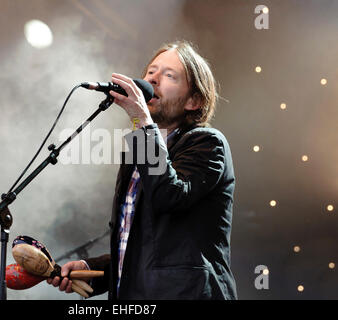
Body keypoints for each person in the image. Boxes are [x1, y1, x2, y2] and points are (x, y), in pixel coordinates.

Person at [47, 40, 237, 300]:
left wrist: (140, 120)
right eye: (151, 72)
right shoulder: (139, 149)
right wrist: (94, 268)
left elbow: (169, 196)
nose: (154, 80)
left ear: (194, 100)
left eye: (170, 75)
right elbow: (143, 249)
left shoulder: (207, 142)